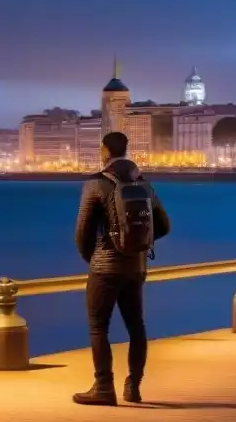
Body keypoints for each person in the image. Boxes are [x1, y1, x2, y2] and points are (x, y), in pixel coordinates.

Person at [72, 131, 171, 406]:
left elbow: (82, 233)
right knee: (136, 326)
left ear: (104, 151)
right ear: (126, 150)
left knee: (98, 327)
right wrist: (136, 247)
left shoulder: (96, 184)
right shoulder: (143, 183)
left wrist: (95, 257)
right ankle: (134, 386)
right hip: (136, 268)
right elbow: (164, 226)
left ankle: (104, 386)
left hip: (104, 268)